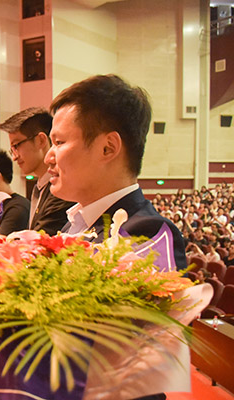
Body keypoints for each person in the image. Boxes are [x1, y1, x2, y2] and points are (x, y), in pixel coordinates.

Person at [44, 74, 187, 399]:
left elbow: (133, 365)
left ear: (108, 147)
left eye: (59, 142)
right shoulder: (75, 223)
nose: (49, 157)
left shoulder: (147, 234)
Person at [0, 107, 74, 234]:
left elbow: (41, 238)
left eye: (16, 146)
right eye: (12, 150)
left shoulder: (61, 189)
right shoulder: (39, 187)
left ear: (41, 140)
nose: (14, 157)